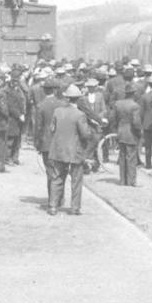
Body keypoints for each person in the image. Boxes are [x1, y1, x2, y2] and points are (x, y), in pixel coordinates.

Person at [48, 85, 92, 216]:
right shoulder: (80, 115)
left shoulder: (57, 111)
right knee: (76, 180)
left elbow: (52, 129)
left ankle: (53, 206)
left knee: (56, 178)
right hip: (75, 151)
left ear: (67, 98)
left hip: (58, 150)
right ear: (78, 99)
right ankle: (75, 208)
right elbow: (85, 134)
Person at [112, 83, 142, 186]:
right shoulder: (135, 106)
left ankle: (122, 180)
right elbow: (136, 123)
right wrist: (139, 132)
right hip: (131, 133)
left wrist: (117, 130)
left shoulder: (118, 104)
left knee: (122, 156)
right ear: (133, 94)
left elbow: (114, 119)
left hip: (120, 131)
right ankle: (131, 181)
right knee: (131, 157)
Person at [5, 72, 27, 165]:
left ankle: (15, 157)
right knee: (11, 139)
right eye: (14, 80)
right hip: (12, 119)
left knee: (17, 139)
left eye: (17, 81)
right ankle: (8, 158)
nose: (15, 82)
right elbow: (10, 106)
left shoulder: (19, 90)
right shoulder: (8, 91)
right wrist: (19, 115)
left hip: (20, 119)